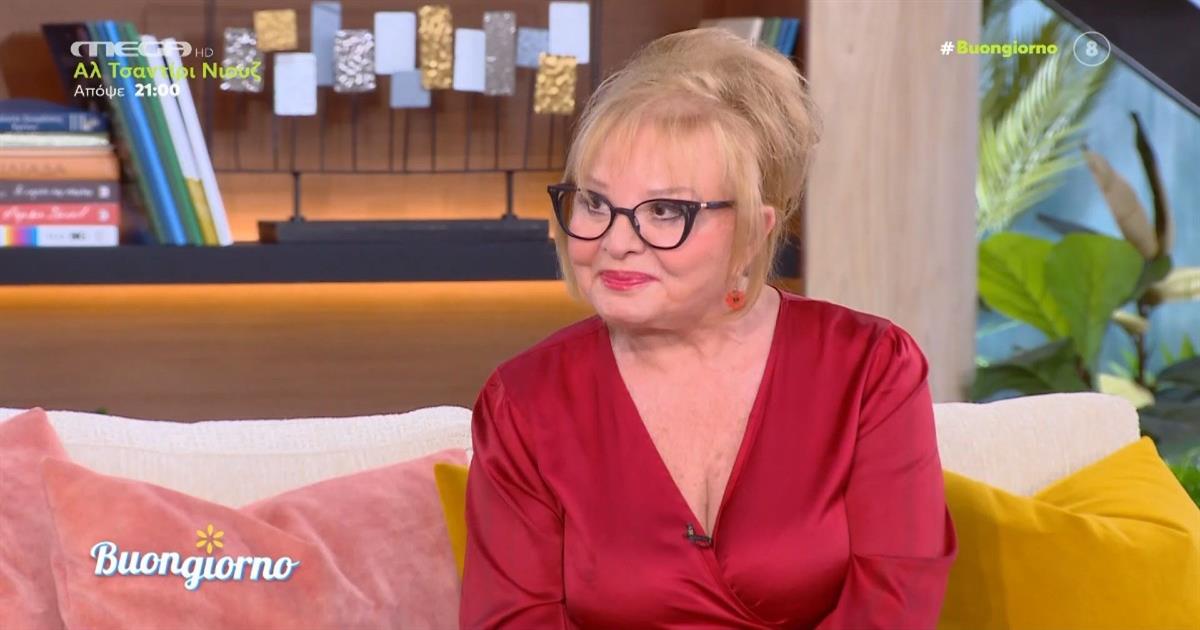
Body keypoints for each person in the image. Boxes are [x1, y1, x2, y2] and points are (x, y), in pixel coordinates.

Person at [459, 26, 957, 629]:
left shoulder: (871, 369)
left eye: (665, 210)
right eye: (594, 203)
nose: (616, 242)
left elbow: (894, 606)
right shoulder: (524, 403)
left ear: (752, 232)